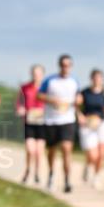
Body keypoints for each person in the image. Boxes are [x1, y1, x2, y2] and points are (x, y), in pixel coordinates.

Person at [37, 54, 80, 193]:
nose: (65, 67)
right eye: (63, 65)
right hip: (51, 120)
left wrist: (79, 101)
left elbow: (78, 97)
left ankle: (67, 180)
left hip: (67, 120)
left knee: (67, 149)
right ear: (59, 65)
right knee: (52, 150)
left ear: (71, 66)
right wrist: (52, 100)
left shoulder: (74, 81)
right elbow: (39, 95)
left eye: (68, 65)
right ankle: (51, 174)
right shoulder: (50, 80)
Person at [78, 69, 104, 190]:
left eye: (100, 77)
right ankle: (88, 164)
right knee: (93, 155)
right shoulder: (84, 92)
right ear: (91, 79)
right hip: (88, 123)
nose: (98, 80)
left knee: (102, 154)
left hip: (103, 123)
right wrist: (80, 116)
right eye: (95, 77)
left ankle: (96, 176)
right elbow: (76, 106)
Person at [16, 64, 46, 184]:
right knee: (30, 149)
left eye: (38, 74)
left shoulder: (47, 88)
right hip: (29, 121)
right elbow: (19, 102)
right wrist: (20, 109)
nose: (36, 76)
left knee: (39, 151)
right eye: (34, 73)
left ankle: (37, 173)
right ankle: (28, 170)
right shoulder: (24, 87)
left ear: (42, 75)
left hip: (43, 122)